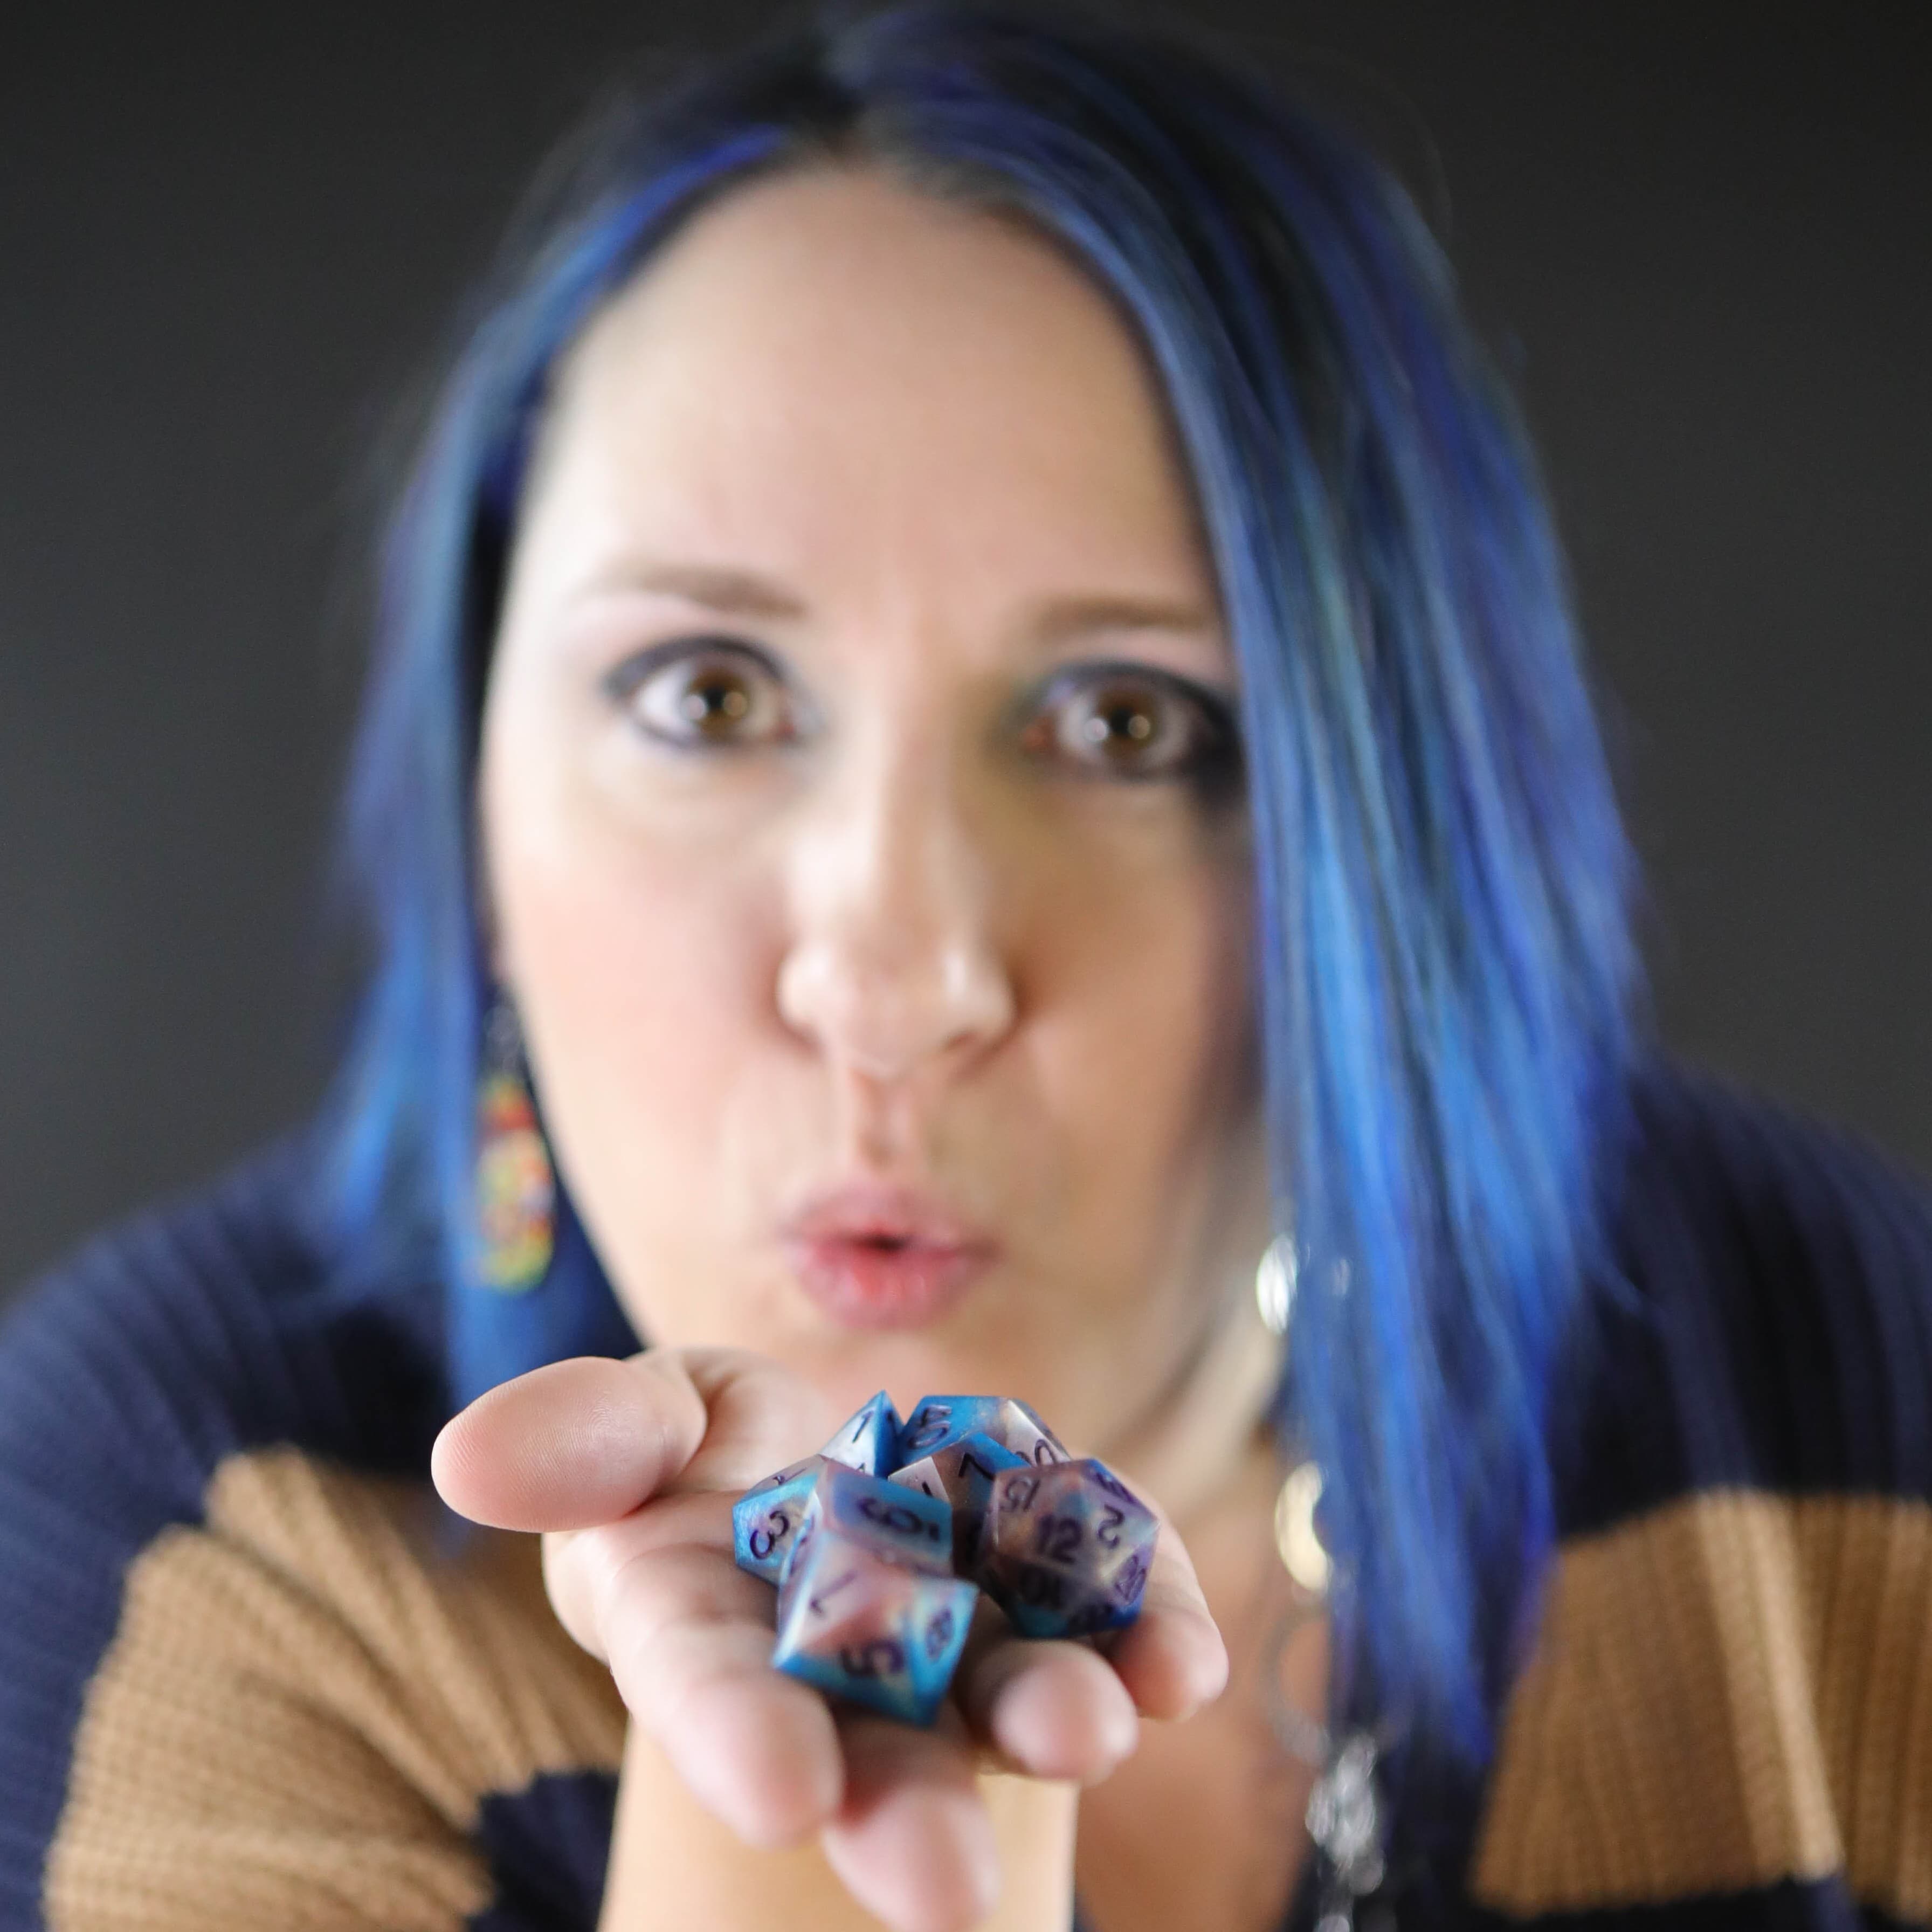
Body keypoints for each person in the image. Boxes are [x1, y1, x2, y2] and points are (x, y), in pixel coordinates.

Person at [2, 4, 1928, 1930]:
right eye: (706, 694)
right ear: (479, 806)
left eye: (1125, 727)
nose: (895, 988)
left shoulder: (1845, 1408)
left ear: (1396, 840)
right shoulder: (189, 1538)